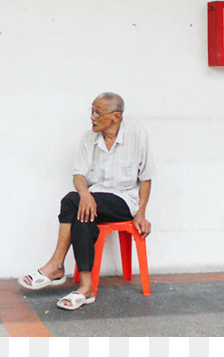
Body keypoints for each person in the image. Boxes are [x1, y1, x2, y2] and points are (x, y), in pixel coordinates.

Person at [18, 92, 155, 310]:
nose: (92, 117)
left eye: (97, 112)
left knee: (70, 201)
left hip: (123, 202)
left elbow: (146, 178)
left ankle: (56, 264)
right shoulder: (88, 139)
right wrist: (86, 195)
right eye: (91, 111)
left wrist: (141, 213)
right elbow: (79, 176)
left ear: (116, 117)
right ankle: (85, 288)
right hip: (92, 201)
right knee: (82, 221)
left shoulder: (137, 137)